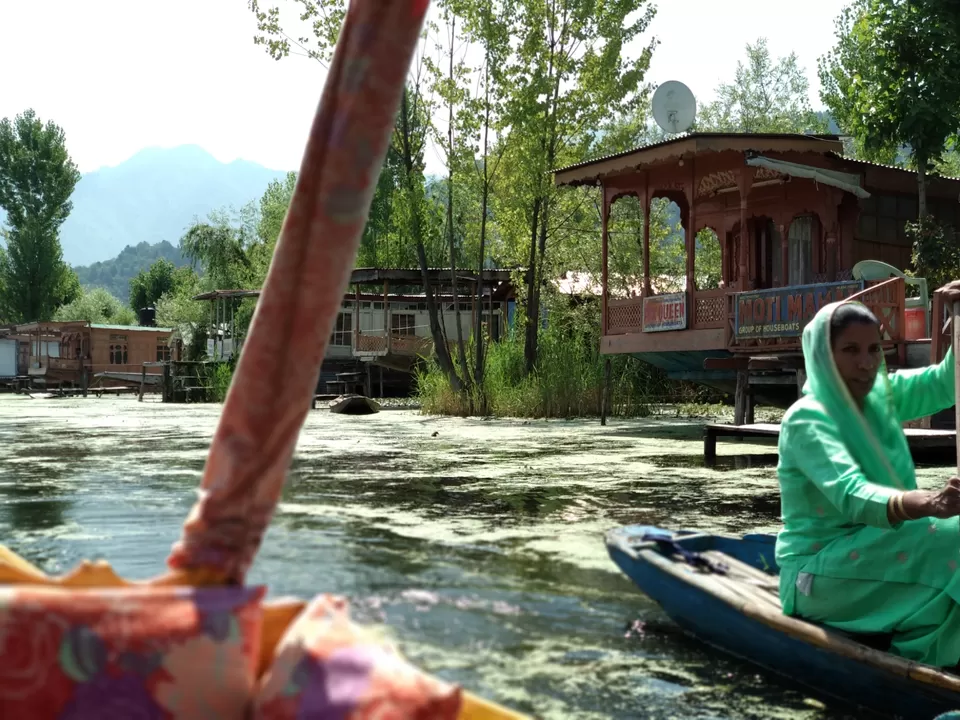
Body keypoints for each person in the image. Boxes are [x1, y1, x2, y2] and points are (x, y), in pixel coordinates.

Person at [776, 281, 960, 667]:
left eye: (874, 349)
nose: (866, 362)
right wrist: (930, 502)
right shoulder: (808, 418)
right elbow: (851, 493)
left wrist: (959, 321)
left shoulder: (879, 396)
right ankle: (924, 648)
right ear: (824, 355)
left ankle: (934, 639)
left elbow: (946, 383)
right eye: (850, 350)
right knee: (952, 536)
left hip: (880, 550)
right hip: (816, 575)